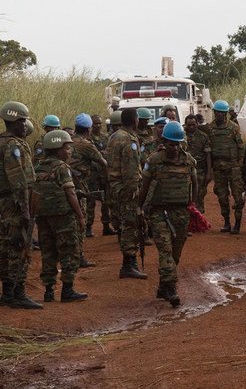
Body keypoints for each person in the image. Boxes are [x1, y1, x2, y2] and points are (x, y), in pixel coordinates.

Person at [137, 121, 199, 307]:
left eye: (178, 144)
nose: (175, 147)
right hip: (159, 213)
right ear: (164, 141)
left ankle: (163, 286)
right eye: (172, 144)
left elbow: (195, 184)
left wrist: (192, 204)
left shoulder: (188, 160)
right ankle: (171, 289)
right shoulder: (154, 161)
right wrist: (139, 209)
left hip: (181, 213)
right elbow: (144, 187)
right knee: (165, 251)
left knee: (175, 254)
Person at [0, 101, 42, 309]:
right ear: (17, 121)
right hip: (15, 201)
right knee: (20, 246)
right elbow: (18, 181)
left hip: (3, 202)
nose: (25, 124)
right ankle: (17, 294)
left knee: (6, 246)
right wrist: (26, 210)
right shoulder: (13, 146)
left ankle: (7, 293)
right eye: (23, 120)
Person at [32, 130, 89, 303]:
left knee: (48, 252)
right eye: (67, 148)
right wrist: (80, 216)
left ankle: (49, 291)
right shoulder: (62, 168)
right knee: (69, 251)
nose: (69, 151)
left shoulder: (38, 167)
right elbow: (70, 193)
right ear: (58, 149)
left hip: (43, 217)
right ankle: (67, 290)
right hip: (63, 217)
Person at [107, 108, 148, 279]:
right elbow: (131, 171)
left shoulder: (114, 136)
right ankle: (128, 264)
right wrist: (135, 193)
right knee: (131, 225)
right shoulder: (130, 140)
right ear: (135, 120)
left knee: (124, 223)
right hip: (127, 189)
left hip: (114, 187)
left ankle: (130, 263)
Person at [208, 100, 246, 233]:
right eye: (216, 112)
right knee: (222, 197)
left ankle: (237, 224)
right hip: (218, 168)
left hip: (233, 167)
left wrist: (240, 165)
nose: (218, 114)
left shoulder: (233, 127)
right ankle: (227, 223)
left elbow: (240, 147)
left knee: (238, 197)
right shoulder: (210, 128)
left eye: (221, 112)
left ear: (225, 114)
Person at [70, 113, 107, 238]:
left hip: (65, 181)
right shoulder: (86, 144)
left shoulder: (68, 140)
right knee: (81, 213)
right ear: (89, 128)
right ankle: (78, 252)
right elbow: (102, 162)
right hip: (79, 182)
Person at [184, 115, 212, 219]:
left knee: (200, 195)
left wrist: (209, 173)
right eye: (189, 125)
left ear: (197, 124)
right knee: (186, 195)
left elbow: (208, 155)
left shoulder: (203, 136)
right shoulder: (181, 136)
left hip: (200, 170)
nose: (191, 127)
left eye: (193, 124)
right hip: (185, 171)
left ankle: (198, 220)